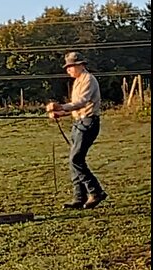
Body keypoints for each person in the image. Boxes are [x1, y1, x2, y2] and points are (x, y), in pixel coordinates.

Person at [46, 51, 108, 209]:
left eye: (70, 66)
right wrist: (61, 113)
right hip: (78, 122)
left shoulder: (88, 80)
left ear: (80, 65)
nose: (68, 70)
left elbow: (82, 102)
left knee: (76, 159)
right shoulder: (78, 81)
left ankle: (96, 192)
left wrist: (60, 106)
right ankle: (79, 198)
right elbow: (77, 107)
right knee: (74, 160)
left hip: (88, 123)